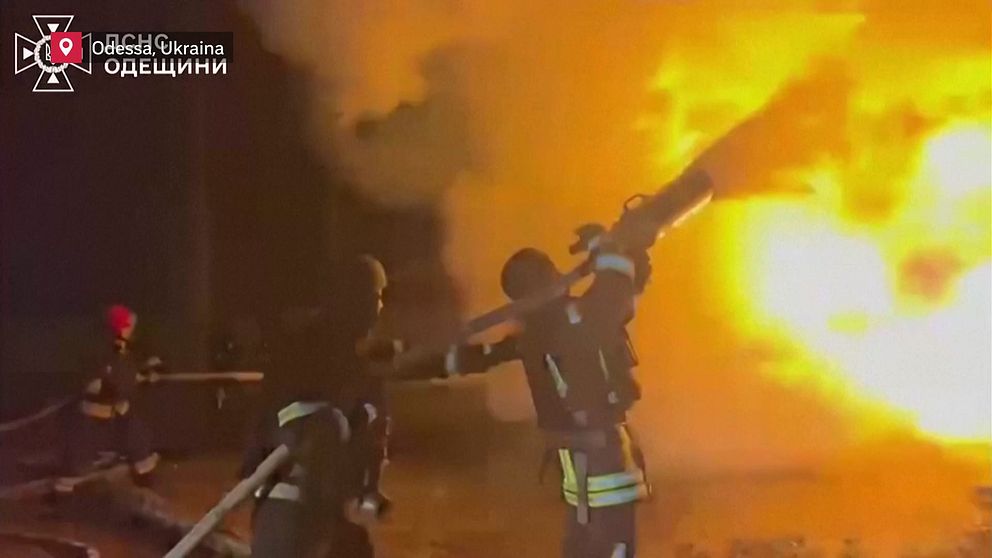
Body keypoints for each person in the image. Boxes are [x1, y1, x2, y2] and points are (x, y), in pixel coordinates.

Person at [415, 231, 652, 558]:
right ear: (546, 281)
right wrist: (608, 247)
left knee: (583, 538)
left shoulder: (534, 333)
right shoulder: (575, 318)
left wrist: (419, 359)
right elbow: (615, 295)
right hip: (603, 453)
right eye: (552, 271)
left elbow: (480, 357)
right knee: (613, 542)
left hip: (574, 455)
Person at [243, 255, 391, 558]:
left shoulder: (350, 359)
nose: (379, 307)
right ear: (354, 300)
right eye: (375, 298)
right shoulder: (320, 356)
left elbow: (371, 435)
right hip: (298, 509)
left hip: (302, 506)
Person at [55, 304, 162, 495]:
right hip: (93, 415)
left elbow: (133, 369)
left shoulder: (125, 349)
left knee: (138, 440)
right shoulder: (98, 349)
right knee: (77, 461)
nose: (131, 329)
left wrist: (147, 374)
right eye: (128, 325)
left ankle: (144, 481)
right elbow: (93, 383)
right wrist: (116, 385)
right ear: (118, 327)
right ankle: (64, 493)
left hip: (119, 412)